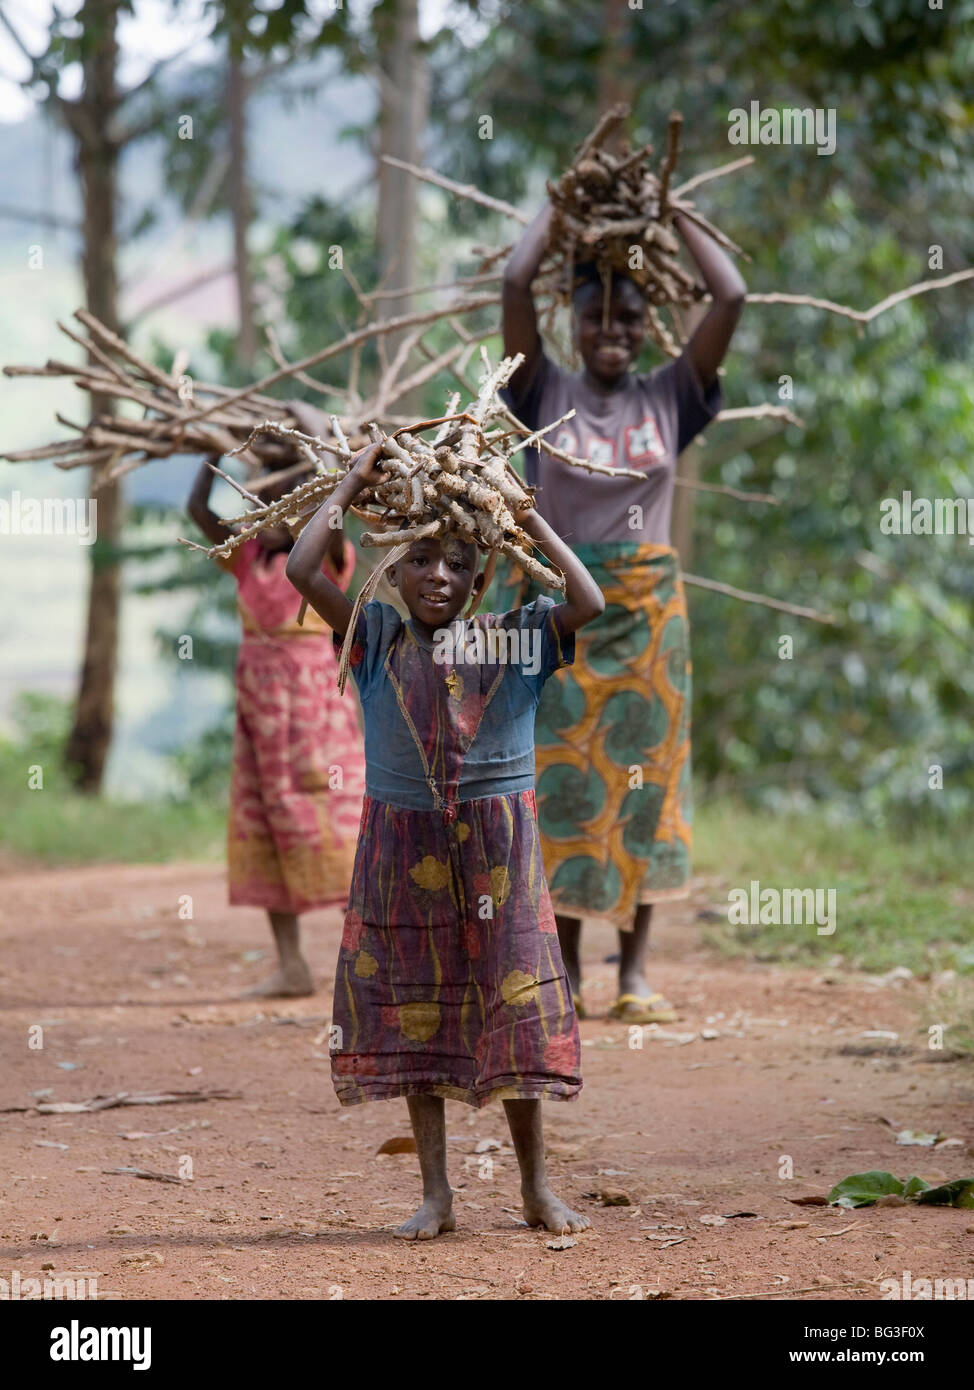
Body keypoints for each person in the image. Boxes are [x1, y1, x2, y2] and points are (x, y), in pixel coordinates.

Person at [286, 440, 605, 1239]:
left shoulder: (515, 637)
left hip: (501, 853)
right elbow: (300, 572)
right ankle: (437, 1193)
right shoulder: (376, 639)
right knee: (413, 1010)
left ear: (482, 577)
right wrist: (353, 480)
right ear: (392, 572)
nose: (438, 577)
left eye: (458, 563)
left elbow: (588, 599)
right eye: (420, 560)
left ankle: (537, 1189)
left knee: (518, 1008)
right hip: (404, 851)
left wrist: (524, 515)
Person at [501, 197, 746, 1025]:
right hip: (561, 614)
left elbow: (733, 297)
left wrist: (674, 213)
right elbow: (514, 276)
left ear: (650, 325)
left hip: (648, 618)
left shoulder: (673, 395)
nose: (613, 328)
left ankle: (635, 974)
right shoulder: (539, 390)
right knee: (561, 784)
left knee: (646, 787)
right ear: (569, 323)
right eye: (595, 314)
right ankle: (563, 971)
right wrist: (559, 210)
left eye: (630, 315)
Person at [187, 454, 365, 998]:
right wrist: (212, 450)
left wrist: (322, 460)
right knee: (265, 825)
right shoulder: (245, 559)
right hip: (260, 720)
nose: (272, 513)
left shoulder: (330, 560)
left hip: (317, 712)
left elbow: (333, 510)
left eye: (289, 501)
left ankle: (366, 962)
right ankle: (291, 965)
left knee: (340, 824)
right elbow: (197, 508)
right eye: (263, 501)